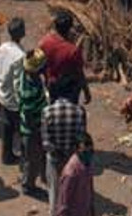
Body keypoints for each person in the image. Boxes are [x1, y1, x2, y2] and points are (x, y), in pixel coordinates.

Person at [44, 74, 88, 215]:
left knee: (55, 192)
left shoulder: (47, 111)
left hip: (55, 158)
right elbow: (82, 140)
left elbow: (46, 143)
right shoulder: (79, 111)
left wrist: (57, 151)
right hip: (72, 158)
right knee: (72, 193)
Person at [40, 11, 91, 103]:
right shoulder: (73, 51)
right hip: (70, 89)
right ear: (70, 28)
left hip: (52, 85)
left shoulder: (45, 42)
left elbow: (41, 66)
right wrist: (86, 92)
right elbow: (79, 73)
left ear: (55, 27)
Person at [18, 48, 49, 195]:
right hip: (32, 130)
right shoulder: (31, 89)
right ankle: (28, 186)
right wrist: (38, 131)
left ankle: (33, 177)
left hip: (28, 126)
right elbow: (30, 115)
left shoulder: (26, 75)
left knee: (30, 157)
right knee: (33, 159)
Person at [0, 18, 28, 164]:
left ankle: (6, 155)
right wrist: (22, 102)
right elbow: (18, 83)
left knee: (7, 129)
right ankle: (24, 156)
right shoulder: (20, 56)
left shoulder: (3, 48)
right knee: (22, 130)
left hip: (3, 94)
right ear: (21, 33)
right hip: (15, 101)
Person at [55, 133, 95, 216]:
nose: (88, 154)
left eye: (91, 151)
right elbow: (63, 201)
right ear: (76, 149)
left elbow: (90, 186)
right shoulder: (71, 172)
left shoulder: (88, 163)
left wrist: (91, 207)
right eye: (85, 151)